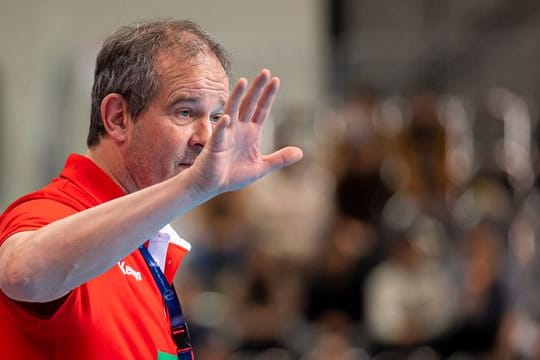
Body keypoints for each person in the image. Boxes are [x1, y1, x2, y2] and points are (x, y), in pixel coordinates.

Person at [0, 19, 303, 359]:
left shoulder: (144, 241)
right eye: (185, 112)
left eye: (216, 118)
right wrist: (194, 188)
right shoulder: (53, 212)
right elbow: (20, 273)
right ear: (118, 118)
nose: (206, 138)